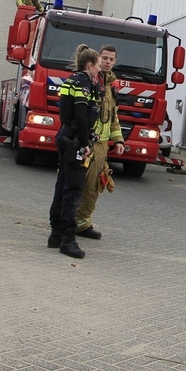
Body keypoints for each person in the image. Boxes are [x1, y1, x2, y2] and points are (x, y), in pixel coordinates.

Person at [47, 45, 101, 258]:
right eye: (97, 66)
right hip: (75, 140)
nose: (99, 71)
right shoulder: (84, 84)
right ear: (89, 65)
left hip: (66, 136)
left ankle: (55, 234)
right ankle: (68, 240)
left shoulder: (70, 81)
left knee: (62, 186)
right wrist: (86, 142)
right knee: (73, 190)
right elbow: (80, 115)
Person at [75, 44, 126, 240]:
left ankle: (82, 221)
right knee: (78, 183)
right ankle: (71, 220)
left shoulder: (113, 85)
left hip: (102, 144)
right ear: (98, 59)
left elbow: (113, 117)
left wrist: (118, 139)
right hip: (87, 142)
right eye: (104, 58)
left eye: (112, 59)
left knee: (95, 185)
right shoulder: (90, 81)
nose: (108, 62)